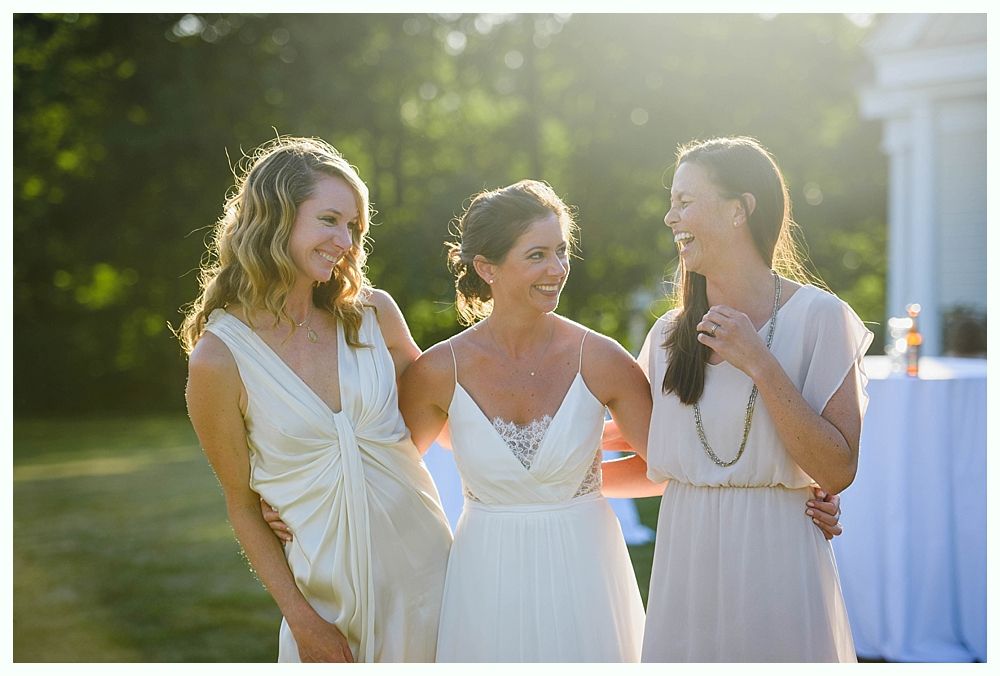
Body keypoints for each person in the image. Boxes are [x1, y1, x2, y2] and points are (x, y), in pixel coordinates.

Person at [179, 136, 452, 662]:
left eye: (353, 226)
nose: (345, 240)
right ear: (276, 218)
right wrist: (304, 623)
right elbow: (241, 505)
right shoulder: (219, 359)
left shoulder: (375, 316)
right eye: (330, 220)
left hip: (434, 577)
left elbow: (439, 413)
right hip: (329, 609)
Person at [634, 136, 871, 661]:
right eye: (672, 203)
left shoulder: (821, 320)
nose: (671, 217)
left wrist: (761, 364)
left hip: (779, 560)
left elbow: (835, 470)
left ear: (740, 209)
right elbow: (647, 459)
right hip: (686, 562)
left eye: (685, 201)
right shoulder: (667, 337)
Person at [396, 180, 650, 662]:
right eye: (537, 255)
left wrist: (582, 482)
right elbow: (386, 471)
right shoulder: (438, 371)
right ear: (486, 268)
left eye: (561, 251)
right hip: (485, 573)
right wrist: (292, 505)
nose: (557, 270)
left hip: (587, 567)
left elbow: (669, 466)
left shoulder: (601, 359)